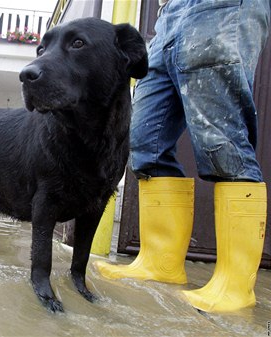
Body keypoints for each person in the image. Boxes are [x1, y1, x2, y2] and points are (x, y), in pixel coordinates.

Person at [95, 0, 269, 313]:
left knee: (222, 139)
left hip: (221, 8)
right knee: (145, 142)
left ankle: (234, 285)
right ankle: (159, 263)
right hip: (170, 15)